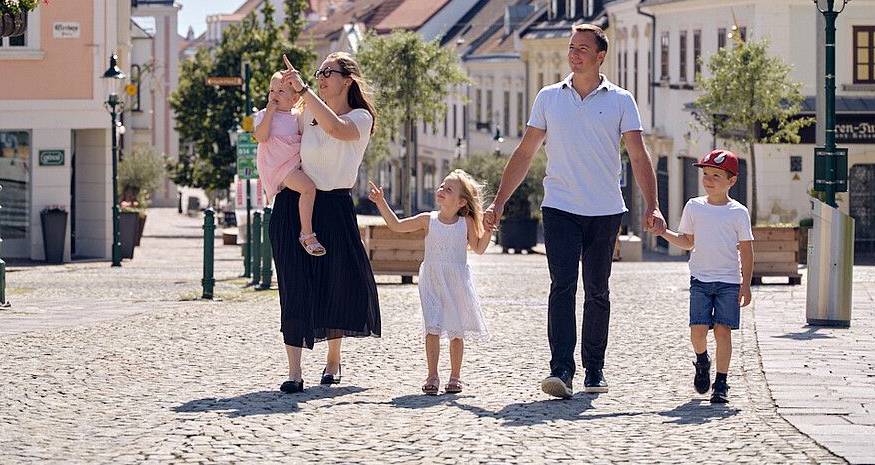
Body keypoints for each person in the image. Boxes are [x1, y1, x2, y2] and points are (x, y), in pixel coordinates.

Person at [483, 23, 666, 399]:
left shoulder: (620, 100)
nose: (574, 53)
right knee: (562, 287)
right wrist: (499, 201)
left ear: (601, 56)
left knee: (597, 290)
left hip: (604, 210)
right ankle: (561, 368)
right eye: (571, 47)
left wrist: (654, 205)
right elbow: (524, 153)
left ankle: (594, 367)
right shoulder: (549, 97)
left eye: (583, 48)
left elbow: (638, 155)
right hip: (560, 207)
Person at [270, 52, 382, 394]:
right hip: (294, 204)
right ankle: (294, 371)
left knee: (334, 284)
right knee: (294, 286)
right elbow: (276, 139)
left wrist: (304, 90)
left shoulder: (361, 118)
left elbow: (336, 128)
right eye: (318, 72)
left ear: (347, 80)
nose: (320, 77)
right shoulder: (306, 114)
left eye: (327, 72)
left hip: (333, 206)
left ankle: (333, 361)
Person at [367, 170, 490, 395]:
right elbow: (396, 225)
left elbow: (480, 248)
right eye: (442, 186)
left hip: (457, 282)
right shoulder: (428, 219)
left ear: (462, 202)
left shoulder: (467, 222)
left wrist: (489, 230)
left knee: (456, 330)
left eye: (448, 189)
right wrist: (381, 202)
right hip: (432, 281)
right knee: (432, 326)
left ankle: (455, 375)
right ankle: (432, 374)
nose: (441, 190)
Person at [660, 149, 754, 404]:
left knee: (723, 333)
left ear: (731, 181)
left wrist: (745, 285)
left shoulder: (738, 212)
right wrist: (664, 233)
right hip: (700, 280)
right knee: (697, 332)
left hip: (729, 282)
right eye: (706, 174)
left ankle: (721, 383)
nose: (708, 180)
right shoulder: (694, 206)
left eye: (716, 175)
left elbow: (746, 250)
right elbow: (688, 242)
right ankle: (702, 361)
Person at [253, 71, 324, 256]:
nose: (274, 95)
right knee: (308, 188)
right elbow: (260, 137)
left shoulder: (296, 116)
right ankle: (307, 234)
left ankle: (305, 230)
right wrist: (269, 113)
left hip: (291, 163)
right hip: (278, 165)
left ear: (294, 99)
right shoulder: (264, 114)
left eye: (281, 91)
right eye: (271, 90)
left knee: (308, 189)